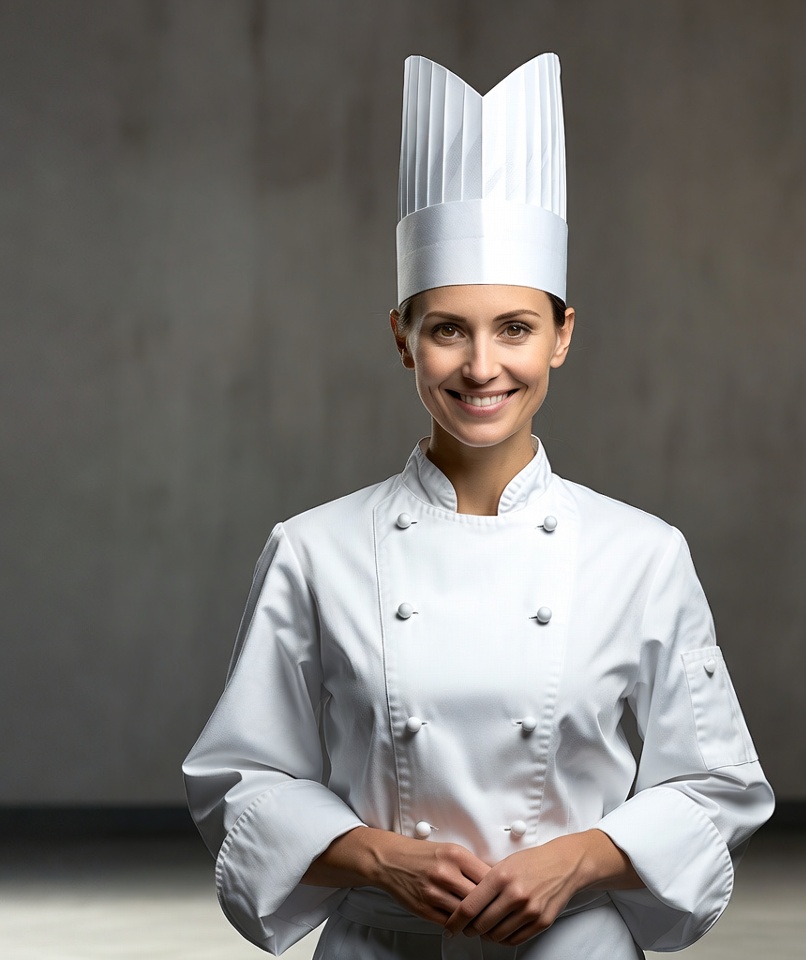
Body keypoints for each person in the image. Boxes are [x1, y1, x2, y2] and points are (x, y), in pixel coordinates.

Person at [183, 53, 774, 960]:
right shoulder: (314, 548)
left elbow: (718, 782)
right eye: (448, 329)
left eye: (516, 329)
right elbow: (242, 777)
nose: (483, 367)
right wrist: (380, 860)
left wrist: (578, 860)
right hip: (382, 945)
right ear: (402, 338)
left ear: (563, 335)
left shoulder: (641, 552)